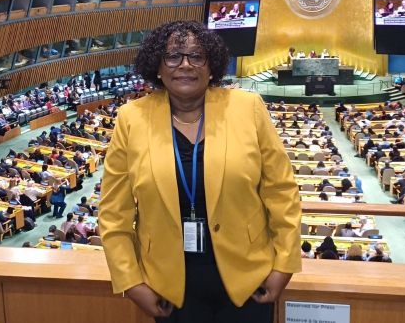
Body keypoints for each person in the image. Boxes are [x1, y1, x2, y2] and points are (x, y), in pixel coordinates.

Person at [100, 21, 301, 321]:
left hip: (249, 281)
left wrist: (283, 266)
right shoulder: (131, 119)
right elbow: (114, 214)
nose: (185, 65)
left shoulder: (249, 108)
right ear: (157, 66)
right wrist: (131, 282)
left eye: (196, 56)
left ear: (212, 67)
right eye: (173, 56)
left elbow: (282, 192)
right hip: (168, 287)